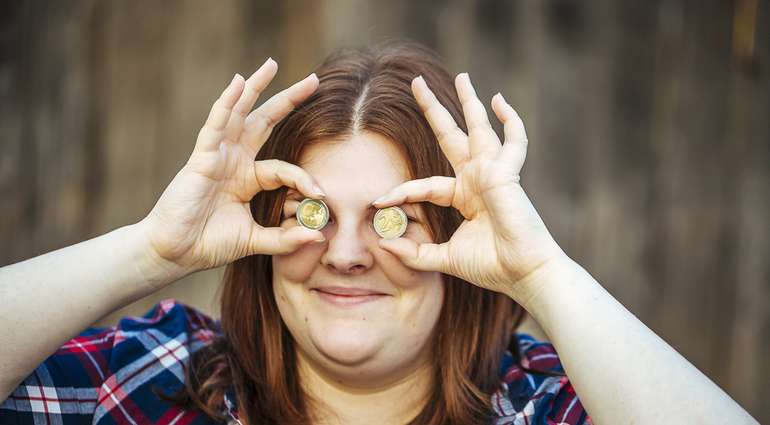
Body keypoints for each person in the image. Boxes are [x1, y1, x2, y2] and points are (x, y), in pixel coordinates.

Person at [0, 41, 758, 425]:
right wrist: (150, 250)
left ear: (457, 249)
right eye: (312, 213)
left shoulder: (546, 403)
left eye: (395, 220)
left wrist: (542, 274)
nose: (348, 252)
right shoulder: (157, 380)